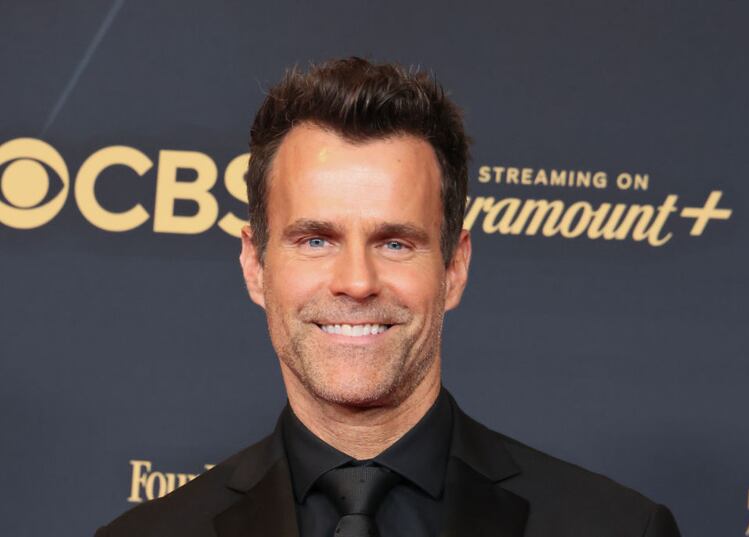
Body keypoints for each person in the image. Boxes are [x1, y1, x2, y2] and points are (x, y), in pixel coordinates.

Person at [94, 57, 681, 537]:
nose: (356, 281)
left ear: (455, 266)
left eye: (396, 243)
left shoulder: (617, 528)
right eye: (316, 239)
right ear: (255, 264)